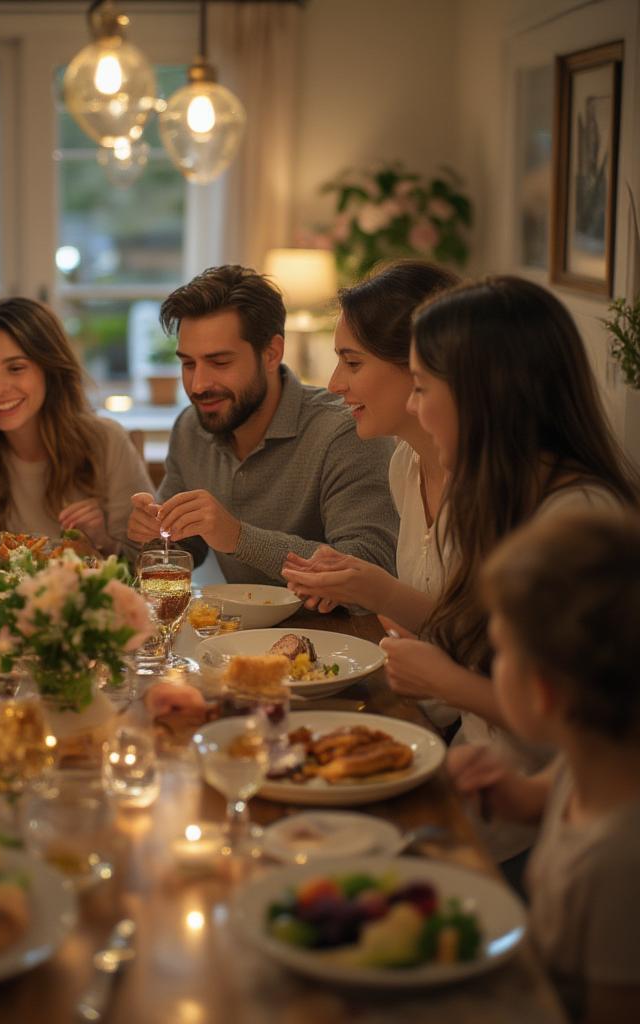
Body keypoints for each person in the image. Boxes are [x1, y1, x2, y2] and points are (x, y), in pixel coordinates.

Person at [377, 275, 638, 867]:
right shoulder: (493, 493)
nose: (414, 408)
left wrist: (442, 681)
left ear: (481, 395)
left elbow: (584, 730)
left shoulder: (575, 519)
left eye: (420, 387)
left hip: (541, 841)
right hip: (490, 792)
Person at [449, 509, 640, 1024]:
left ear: (544, 692)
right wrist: (517, 796)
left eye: (500, 651)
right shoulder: (597, 759)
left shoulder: (618, 867)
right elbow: (555, 793)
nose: (491, 662)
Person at [126, 264, 398, 585]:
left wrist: (239, 538)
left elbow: (370, 564)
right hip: (231, 632)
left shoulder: (346, 429)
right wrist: (155, 536)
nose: (198, 385)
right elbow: (186, 549)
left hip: (337, 634)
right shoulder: (191, 427)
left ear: (271, 354)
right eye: (188, 364)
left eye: (219, 362)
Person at [281, 259, 458, 626]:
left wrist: (381, 593)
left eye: (352, 363)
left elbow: (485, 648)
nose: (334, 383)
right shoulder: (405, 465)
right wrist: (358, 583)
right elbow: (441, 621)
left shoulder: (499, 484)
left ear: (418, 364)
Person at [0, 297, 151, 553]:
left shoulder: (106, 440)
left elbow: (148, 561)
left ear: (49, 368)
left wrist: (100, 539)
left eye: (15, 368)